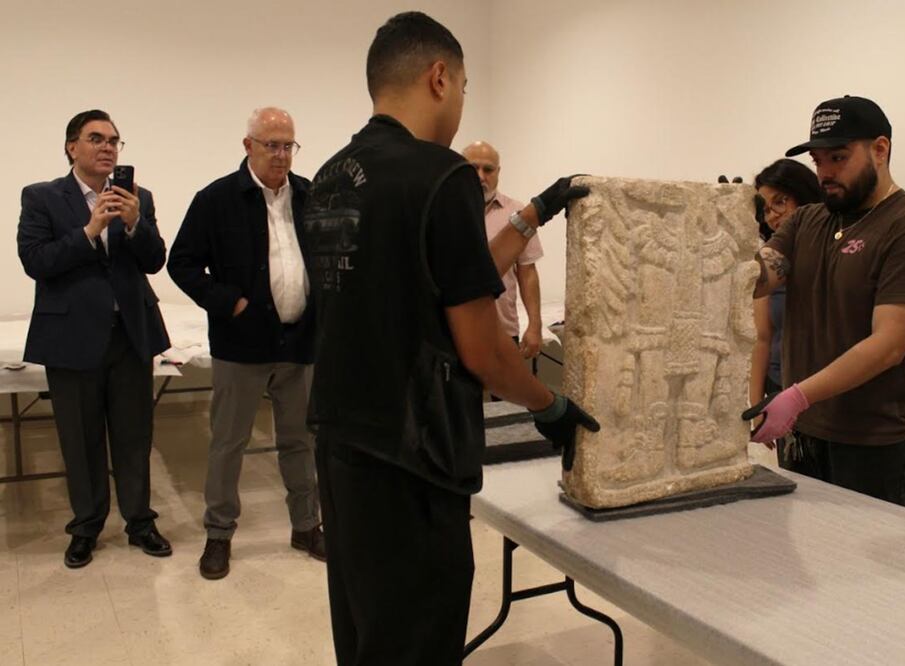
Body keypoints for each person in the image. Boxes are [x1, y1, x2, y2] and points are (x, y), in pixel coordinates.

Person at [302, 12, 598, 665]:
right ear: (439, 77)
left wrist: (532, 214)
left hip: (343, 441)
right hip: (414, 456)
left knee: (365, 629)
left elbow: (434, 277)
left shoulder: (327, 176)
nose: (461, 101)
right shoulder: (442, 176)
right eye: (462, 85)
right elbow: (482, 350)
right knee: (417, 638)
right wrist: (547, 405)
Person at [744, 95, 905, 507]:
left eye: (838, 158)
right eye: (818, 162)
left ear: (880, 149)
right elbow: (759, 277)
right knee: (803, 560)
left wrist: (798, 395)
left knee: (860, 568)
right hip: (804, 434)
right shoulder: (808, 221)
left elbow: (888, 346)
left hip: (873, 442)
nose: (825, 173)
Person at [167, 107, 323, 580]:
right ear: (248, 145)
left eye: (288, 145)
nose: (281, 155)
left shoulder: (311, 196)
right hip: (241, 346)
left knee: (300, 441)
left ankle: (306, 526)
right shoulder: (215, 199)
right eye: (271, 144)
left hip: (299, 343)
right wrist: (228, 302)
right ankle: (218, 535)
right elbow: (182, 264)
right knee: (228, 443)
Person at [17, 109, 172, 568]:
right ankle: (86, 527)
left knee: (134, 435)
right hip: (72, 338)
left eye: (114, 141)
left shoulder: (136, 196)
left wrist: (132, 223)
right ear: (72, 147)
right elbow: (36, 260)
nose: (108, 147)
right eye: (96, 138)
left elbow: (154, 260)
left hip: (129, 336)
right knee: (80, 439)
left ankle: (140, 522)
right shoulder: (42, 197)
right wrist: (89, 231)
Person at [748, 158, 822, 462]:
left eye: (782, 201)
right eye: (766, 209)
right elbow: (762, 336)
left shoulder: (829, 252)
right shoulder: (769, 266)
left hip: (823, 393)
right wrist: (756, 405)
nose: (774, 216)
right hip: (781, 391)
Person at [461, 140, 544, 358]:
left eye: (488, 169)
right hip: (457, 330)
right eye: (473, 168)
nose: (480, 176)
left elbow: (528, 273)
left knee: (508, 392)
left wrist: (535, 325)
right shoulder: (446, 212)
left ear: (498, 172)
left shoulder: (518, 213)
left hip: (503, 330)